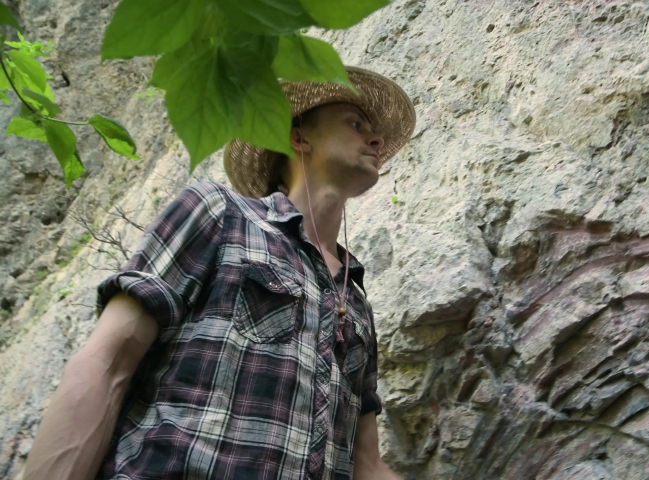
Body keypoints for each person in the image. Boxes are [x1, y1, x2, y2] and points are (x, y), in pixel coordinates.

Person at [23, 66, 416, 480]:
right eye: (356, 124)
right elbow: (107, 363)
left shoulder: (354, 301)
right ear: (298, 138)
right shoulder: (219, 213)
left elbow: (366, 463)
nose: (376, 139)